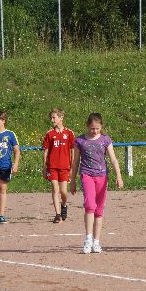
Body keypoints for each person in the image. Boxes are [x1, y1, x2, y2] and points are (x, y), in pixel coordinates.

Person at [70, 113, 124, 253]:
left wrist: (118, 176)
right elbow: (75, 162)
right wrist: (73, 180)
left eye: (97, 128)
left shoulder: (105, 140)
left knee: (99, 209)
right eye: (92, 128)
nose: (94, 131)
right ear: (87, 126)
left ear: (101, 127)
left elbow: (113, 159)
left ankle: (96, 241)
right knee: (90, 205)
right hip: (87, 174)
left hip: (102, 176)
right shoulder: (80, 141)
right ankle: (88, 239)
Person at [42, 108, 75, 223]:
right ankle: (57, 214)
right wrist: (44, 167)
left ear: (61, 118)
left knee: (64, 192)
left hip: (65, 167)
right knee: (55, 189)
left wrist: (72, 167)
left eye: (54, 117)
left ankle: (64, 205)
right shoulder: (49, 134)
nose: (52, 120)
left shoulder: (69, 133)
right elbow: (46, 151)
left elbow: (73, 151)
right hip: (52, 166)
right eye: (51, 118)